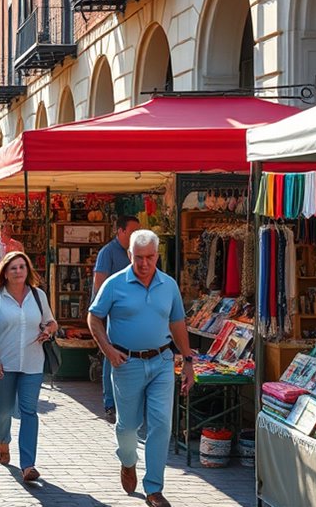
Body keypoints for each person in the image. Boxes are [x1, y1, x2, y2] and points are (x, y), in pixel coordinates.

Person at [88, 229, 194, 507]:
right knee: (127, 426)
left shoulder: (169, 285)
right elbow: (94, 318)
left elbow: (177, 323)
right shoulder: (114, 284)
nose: (144, 263)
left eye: (149, 257)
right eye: (138, 257)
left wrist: (188, 361)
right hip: (127, 364)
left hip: (162, 362)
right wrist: (108, 350)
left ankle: (154, 489)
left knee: (161, 424)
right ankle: (128, 461)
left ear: (157, 255)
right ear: (129, 255)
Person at [0, 251, 57, 486]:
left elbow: (51, 321)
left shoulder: (38, 295)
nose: (18, 271)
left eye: (22, 266)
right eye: (13, 267)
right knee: (4, 410)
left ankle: (28, 465)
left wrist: (48, 330)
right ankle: (3, 440)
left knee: (29, 411)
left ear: (28, 270)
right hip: (4, 363)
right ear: (5, 272)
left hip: (33, 363)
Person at [93, 215, 141, 424]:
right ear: (120, 231)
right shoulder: (108, 252)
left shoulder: (138, 253)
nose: (136, 236)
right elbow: (99, 284)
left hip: (132, 315)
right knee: (111, 355)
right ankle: (110, 403)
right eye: (132, 232)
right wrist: (104, 313)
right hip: (111, 314)